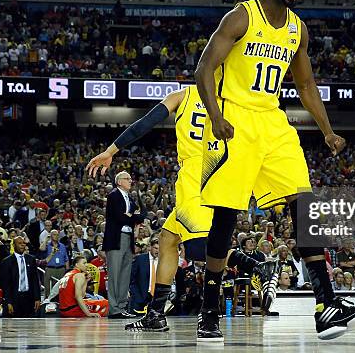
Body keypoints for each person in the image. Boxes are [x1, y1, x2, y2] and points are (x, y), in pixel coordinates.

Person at [193, 0, 355, 341]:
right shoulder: (241, 16)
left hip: (274, 123)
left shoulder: (298, 29)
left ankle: (325, 305)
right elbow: (204, 69)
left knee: (305, 204)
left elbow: (306, 85)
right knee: (226, 217)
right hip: (235, 120)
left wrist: (327, 130)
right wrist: (215, 116)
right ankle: (208, 310)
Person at [86, 85, 279, 332]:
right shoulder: (234, 96)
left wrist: (111, 150)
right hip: (220, 168)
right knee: (167, 240)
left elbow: (146, 122)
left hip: (196, 173)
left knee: (199, 249)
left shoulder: (183, 95)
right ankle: (155, 314)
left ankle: (257, 266)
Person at [102, 171, 146, 318]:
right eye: (127, 179)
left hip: (128, 237)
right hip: (116, 238)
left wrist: (131, 217)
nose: (130, 181)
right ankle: (114, 309)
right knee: (114, 274)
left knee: (125, 274)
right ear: (119, 181)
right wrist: (132, 217)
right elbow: (120, 217)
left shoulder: (129, 198)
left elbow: (139, 215)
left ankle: (121, 306)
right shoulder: (114, 195)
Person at [0, 236, 41, 318]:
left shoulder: (31, 259)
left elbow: (35, 280)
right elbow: (6, 284)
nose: (22, 245)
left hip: (29, 298)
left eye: (23, 243)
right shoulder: (6, 262)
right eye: (19, 243)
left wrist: (37, 298)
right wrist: (8, 302)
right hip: (15, 298)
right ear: (14, 245)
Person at [129, 238, 160, 313]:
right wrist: (134, 293)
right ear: (150, 247)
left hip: (157, 299)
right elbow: (131, 277)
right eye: (155, 248)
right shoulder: (140, 259)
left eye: (159, 249)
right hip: (139, 298)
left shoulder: (163, 261)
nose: (157, 251)